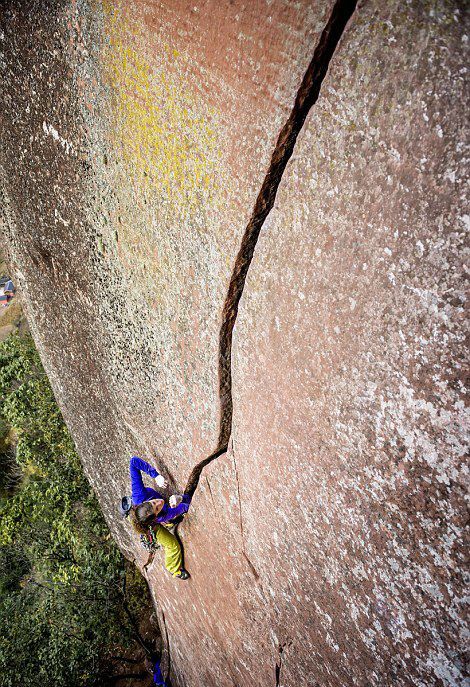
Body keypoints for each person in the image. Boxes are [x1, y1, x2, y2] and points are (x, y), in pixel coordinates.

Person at [120, 456, 191, 580]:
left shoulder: (138, 495)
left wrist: (155, 475)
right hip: (150, 526)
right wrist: (180, 499)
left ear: (144, 503)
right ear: (156, 516)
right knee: (172, 545)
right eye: (157, 508)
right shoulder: (160, 517)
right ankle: (174, 570)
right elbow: (186, 506)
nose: (159, 503)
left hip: (141, 514)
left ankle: (168, 522)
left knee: (164, 513)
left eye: (153, 503)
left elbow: (133, 462)